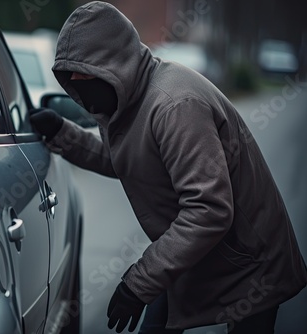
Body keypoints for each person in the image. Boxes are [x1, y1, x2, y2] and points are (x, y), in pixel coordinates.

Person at [29, 1, 307, 333]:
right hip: (193, 253)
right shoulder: (127, 101)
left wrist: (138, 282)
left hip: (249, 262)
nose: (77, 85)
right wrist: (63, 133)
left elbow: (209, 209)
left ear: (114, 64)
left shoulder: (175, 106)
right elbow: (124, 160)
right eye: (69, 77)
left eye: (84, 75)